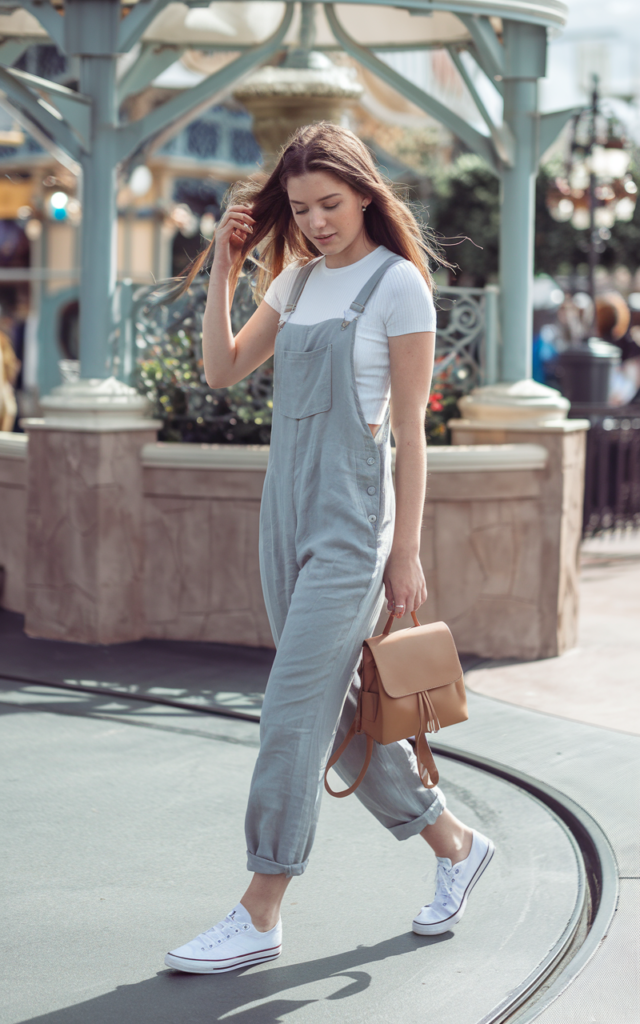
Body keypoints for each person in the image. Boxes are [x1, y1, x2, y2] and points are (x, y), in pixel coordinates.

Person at [164, 123, 494, 975]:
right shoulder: (299, 280)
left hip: (353, 523)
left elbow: (413, 436)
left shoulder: (398, 287)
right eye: (302, 207)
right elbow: (223, 370)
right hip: (285, 515)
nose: (315, 222)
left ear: (366, 193)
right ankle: (455, 844)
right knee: (337, 713)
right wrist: (229, 276)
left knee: (288, 712)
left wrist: (406, 552)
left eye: (331, 204)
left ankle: (260, 907)